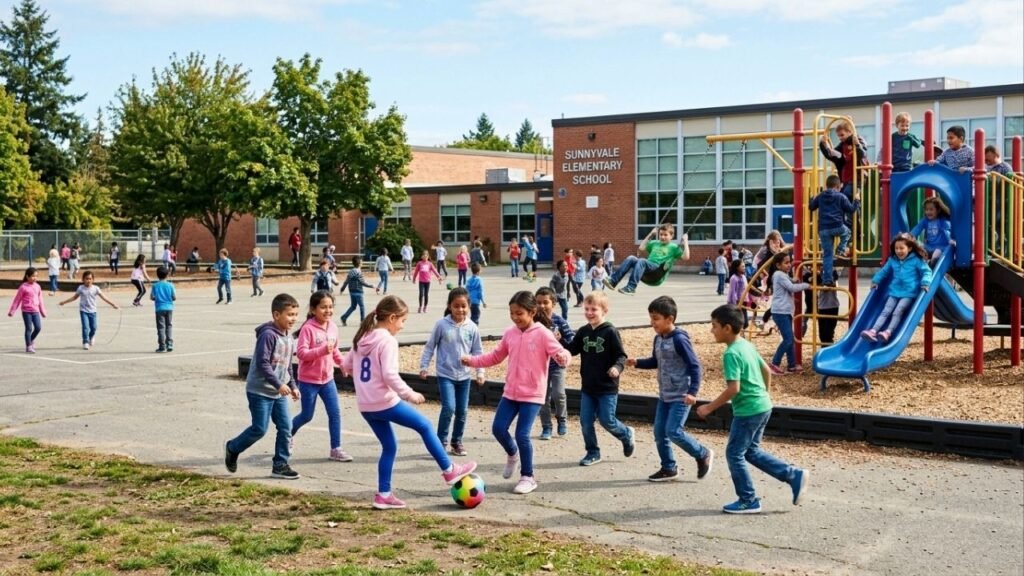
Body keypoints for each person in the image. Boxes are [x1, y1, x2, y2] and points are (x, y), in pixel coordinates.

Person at [342, 295, 478, 509]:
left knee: (389, 446)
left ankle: (383, 495)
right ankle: (449, 470)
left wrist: (357, 373)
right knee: (424, 426)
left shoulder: (362, 338)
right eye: (403, 321)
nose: (402, 326)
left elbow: (346, 365)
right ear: (392, 318)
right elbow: (389, 374)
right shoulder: (387, 340)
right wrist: (409, 393)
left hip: (366, 405)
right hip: (384, 402)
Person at [696, 305, 809, 514]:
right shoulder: (746, 345)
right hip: (762, 405)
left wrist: (709, 408)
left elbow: (733, 388)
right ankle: (793, 475)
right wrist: (765, 394)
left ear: (727, 328)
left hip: (748, 411)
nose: (712, 330)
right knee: (751, 451)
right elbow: (766, 370)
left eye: (714, 326)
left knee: (734, 453)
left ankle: (748, 499)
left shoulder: (731, 354)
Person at [461, 291, 571, 495]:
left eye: (519, 313)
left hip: (532, 394)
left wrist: (564, 357)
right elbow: (495, 356)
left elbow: (561, 353)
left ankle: (527, 476)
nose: (515, 317)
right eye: (512, 313)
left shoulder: (543, 334)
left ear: (532, 312)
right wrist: (473, 361)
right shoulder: (510, 333)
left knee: (522, 435)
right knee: (498, 429)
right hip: (511, 392)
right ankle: (512, 454)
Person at [627, 296, 712, 482]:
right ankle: (668, 467)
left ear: (670, 319)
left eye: (656, 318)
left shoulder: (680, 340)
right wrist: (638, 363)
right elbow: (655, 361)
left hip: (681, 395)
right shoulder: (658, 338)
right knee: (659, 432)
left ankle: (702, 453)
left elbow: (695, 366)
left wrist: (693, 392)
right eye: (651, 318)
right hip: (665, 395)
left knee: (674, 431)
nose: (652, 323)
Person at [224, 293, 303, 480]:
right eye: (290, 314)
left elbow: (287, 365)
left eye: (295, 314)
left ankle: (280, 465)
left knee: (286, 427)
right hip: (259, 391)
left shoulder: (289, 338)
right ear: (276, 315)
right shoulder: (268, 335)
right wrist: (278, 384)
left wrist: (293, 385)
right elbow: (262, 363)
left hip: (279, 392)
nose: (294, 319)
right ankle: (232, 447)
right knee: (259, 428)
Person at [565, 292, 633, 467]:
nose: (589, 312)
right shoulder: (583, 331)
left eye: (593, 309)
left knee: (607, 420)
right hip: (588, 387)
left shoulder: (610, 332)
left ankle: (626, 434)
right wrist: (559, 343)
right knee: (585, 421)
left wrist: (617, 368)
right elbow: (572, 350)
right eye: (586, 309)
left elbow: (621, 356)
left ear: (604, 311)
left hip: (607, 387)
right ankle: (593, 452)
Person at [419, 288, 485, 457]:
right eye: (456, 306)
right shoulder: (441, 325)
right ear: (449, 306)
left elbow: (478, 351)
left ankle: (457, 441)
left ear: (469, 306)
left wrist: (480, 372)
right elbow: (430, 346)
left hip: (464, 376)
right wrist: (424, 366)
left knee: (462, 411)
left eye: (463, 306)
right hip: (445, 374)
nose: (460, 310)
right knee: (449, 407)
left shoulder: (472, 328)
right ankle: (440, 442)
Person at [292, 291, 352, 463]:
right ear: (313, 309)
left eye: (330, 307)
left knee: (335, 413)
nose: (328, 311)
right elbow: (302, 353)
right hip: (308, 380)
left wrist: (341, 364)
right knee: (306, 415)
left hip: (327, 380)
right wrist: (322, 350)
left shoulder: (333, 326)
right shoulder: (308, 329)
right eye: (323, 307)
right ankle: (287, 434)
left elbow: (335, 350)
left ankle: (336, 448)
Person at [861, 234, 933, 343]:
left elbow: (926, 271)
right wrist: (876, 281)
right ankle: (873, 331)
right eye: (896, 248)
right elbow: (884, 271)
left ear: (909, 248)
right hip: (894, 291)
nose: (899, 251)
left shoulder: (916, 260)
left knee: (898, 311)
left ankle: (888, 332)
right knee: (886, 311)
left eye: (901, 248)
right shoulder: (892, 260)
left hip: (909, 293)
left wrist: (925, 283)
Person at [604, 224, 690, 294]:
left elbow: (686, 257)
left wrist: (685, 241)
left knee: (642, 261)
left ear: (671, 236)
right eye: (661, 234)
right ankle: (613, 281)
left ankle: (631, 287)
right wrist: (651, 234)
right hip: (646, 270)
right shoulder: (654, 243)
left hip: (657, 272)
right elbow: (641, 248)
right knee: (631, 258)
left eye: (665, 235)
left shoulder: (674, 247)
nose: (662, 237)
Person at [535, 287, 574, 440]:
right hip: (539, 366)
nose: (542, 306)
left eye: (546, 302)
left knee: (558, 394)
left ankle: (562, 420)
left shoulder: (559, 321)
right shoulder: (534, 322)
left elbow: (571, 341)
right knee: (542, 397)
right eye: (538, 303)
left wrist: (561, 340)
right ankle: (546, 427)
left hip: (557, 365)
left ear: (554, 304)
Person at [810, 174, 861, 285]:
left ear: (826, 185)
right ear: (839, 187)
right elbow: (851, 209)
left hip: (823, 229)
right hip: (837, 226)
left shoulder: (821, 196)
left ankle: (827, 279)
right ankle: (841, 249)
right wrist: (856, 200)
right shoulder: (841, 196)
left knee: (827, 255)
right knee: (847, 232)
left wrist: (811, 198)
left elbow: (811, 207)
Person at [767, 252, 809, 375]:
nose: (789, 265)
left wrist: (794, 279)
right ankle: (774, 363)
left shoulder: (781, 274)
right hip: (780, 311)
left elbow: (790, 282)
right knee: (788, 339)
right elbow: (791, 287)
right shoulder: (779, 275)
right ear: (778, 265)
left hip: (784, 311)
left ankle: (791, 365)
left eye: (789, 262)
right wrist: (806, 285)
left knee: (789, 339)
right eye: (786, 263)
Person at [59, 270, 120, 351]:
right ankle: (85, 342)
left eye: (90, 279)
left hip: (93, 311)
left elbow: (104, 297)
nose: (88, 280)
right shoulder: (81, 288)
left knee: (94, 327)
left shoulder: (96, 288)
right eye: (86, 279)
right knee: (85, 327)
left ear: (93, 280)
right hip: (83, 311)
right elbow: (74, 297)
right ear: (83, 280)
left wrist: (113, 304)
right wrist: (64, 302)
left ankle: (91, 337)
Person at [819, 118, 868, 202]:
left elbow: (862, 154)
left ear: (850, 132)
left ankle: (855, 214)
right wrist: (822, 144)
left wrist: (857, 145)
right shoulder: (843, 145)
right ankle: (848, 214)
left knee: (847, 193)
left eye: (842, 135)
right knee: (841, 196)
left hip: (858, 178)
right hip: (846, 178)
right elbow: (831, 155)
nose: (840, 138)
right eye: (838, 136)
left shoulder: (858, 140)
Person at [8, 267, 46, 354]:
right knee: (29, 328)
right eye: (32, 276)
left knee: (38, 328)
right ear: (27, 276)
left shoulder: (38, 287)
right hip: (26, 311)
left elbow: (40, 299)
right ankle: (28, 346)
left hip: (35, 311)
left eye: (36, 276)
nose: (35, 278)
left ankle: (30, 340)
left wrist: (42, 311)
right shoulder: (23, 287)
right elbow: (17, 300)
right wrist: (12, 311)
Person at [802, 267, 840, 345]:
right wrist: (815, 275)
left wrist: (821, 275)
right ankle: (824, 349)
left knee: (829, 333)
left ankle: (828, 350)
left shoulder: (832, 273)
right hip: (821, 307)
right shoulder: (812, 275)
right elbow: (809, 280)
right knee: (822, 334)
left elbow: (832, 283)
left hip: (833, 307)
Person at [909, 196, 953, 264]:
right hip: (929, 246)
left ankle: (932, 263)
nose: (928, 212)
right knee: (917, 245)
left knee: (937, 253)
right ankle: (923, 262)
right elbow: (917, 228)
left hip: (941, 247)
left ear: (938, 210)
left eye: (931, 209)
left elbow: (946, 232)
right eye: (926, 210)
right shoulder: (925, 221)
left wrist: (950, 240)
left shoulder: (942, 221)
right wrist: (910, 236)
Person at [339, 256, 375, 327]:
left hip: (352, 291)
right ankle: (362, 321)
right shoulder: (359, 272)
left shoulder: (351, 271)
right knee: (362, 306)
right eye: (362, 262)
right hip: (358, 291)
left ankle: (344, 317)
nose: (362, 263)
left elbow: (346, 281)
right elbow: (362, 283)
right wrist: (371, 286)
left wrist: (342, 289)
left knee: (353, 306)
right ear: (360, 263)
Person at [150, 266, 176, 352]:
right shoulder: (170, 285)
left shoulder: (155, 286)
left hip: (159, 308)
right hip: (169, 308)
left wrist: (158, 298)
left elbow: (152, 297)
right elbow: (174, 297)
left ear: (157, 275)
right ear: (168, 275)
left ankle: (162, 345)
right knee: (169, 326)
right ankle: (169, 343)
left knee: (161, 327)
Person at [413, 250, 443, 314]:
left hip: (427, 281)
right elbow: (416, 271)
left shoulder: (430, 264)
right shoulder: (419, 263)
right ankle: (420, 307)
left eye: (426, 256)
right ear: (422, 256)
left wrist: (439, 277)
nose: (425, 257)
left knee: (426, 294)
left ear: (428, 256)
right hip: (421, 281)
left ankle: (425, 307)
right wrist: (414, 278)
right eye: (424, 255)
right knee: (421, 294)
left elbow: (435, 271)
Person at [726, 259, 749, 328]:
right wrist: (735, 303)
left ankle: (741, 333)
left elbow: (746, 289)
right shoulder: (734, 278)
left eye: (744, 266)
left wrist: (748, 301)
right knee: (736, 321)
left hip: (743, 301)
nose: (744, 268)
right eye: (742, 266)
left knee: (745, 322)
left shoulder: (744, 277)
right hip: (736, 302)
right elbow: (733, 292)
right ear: (737, 268)